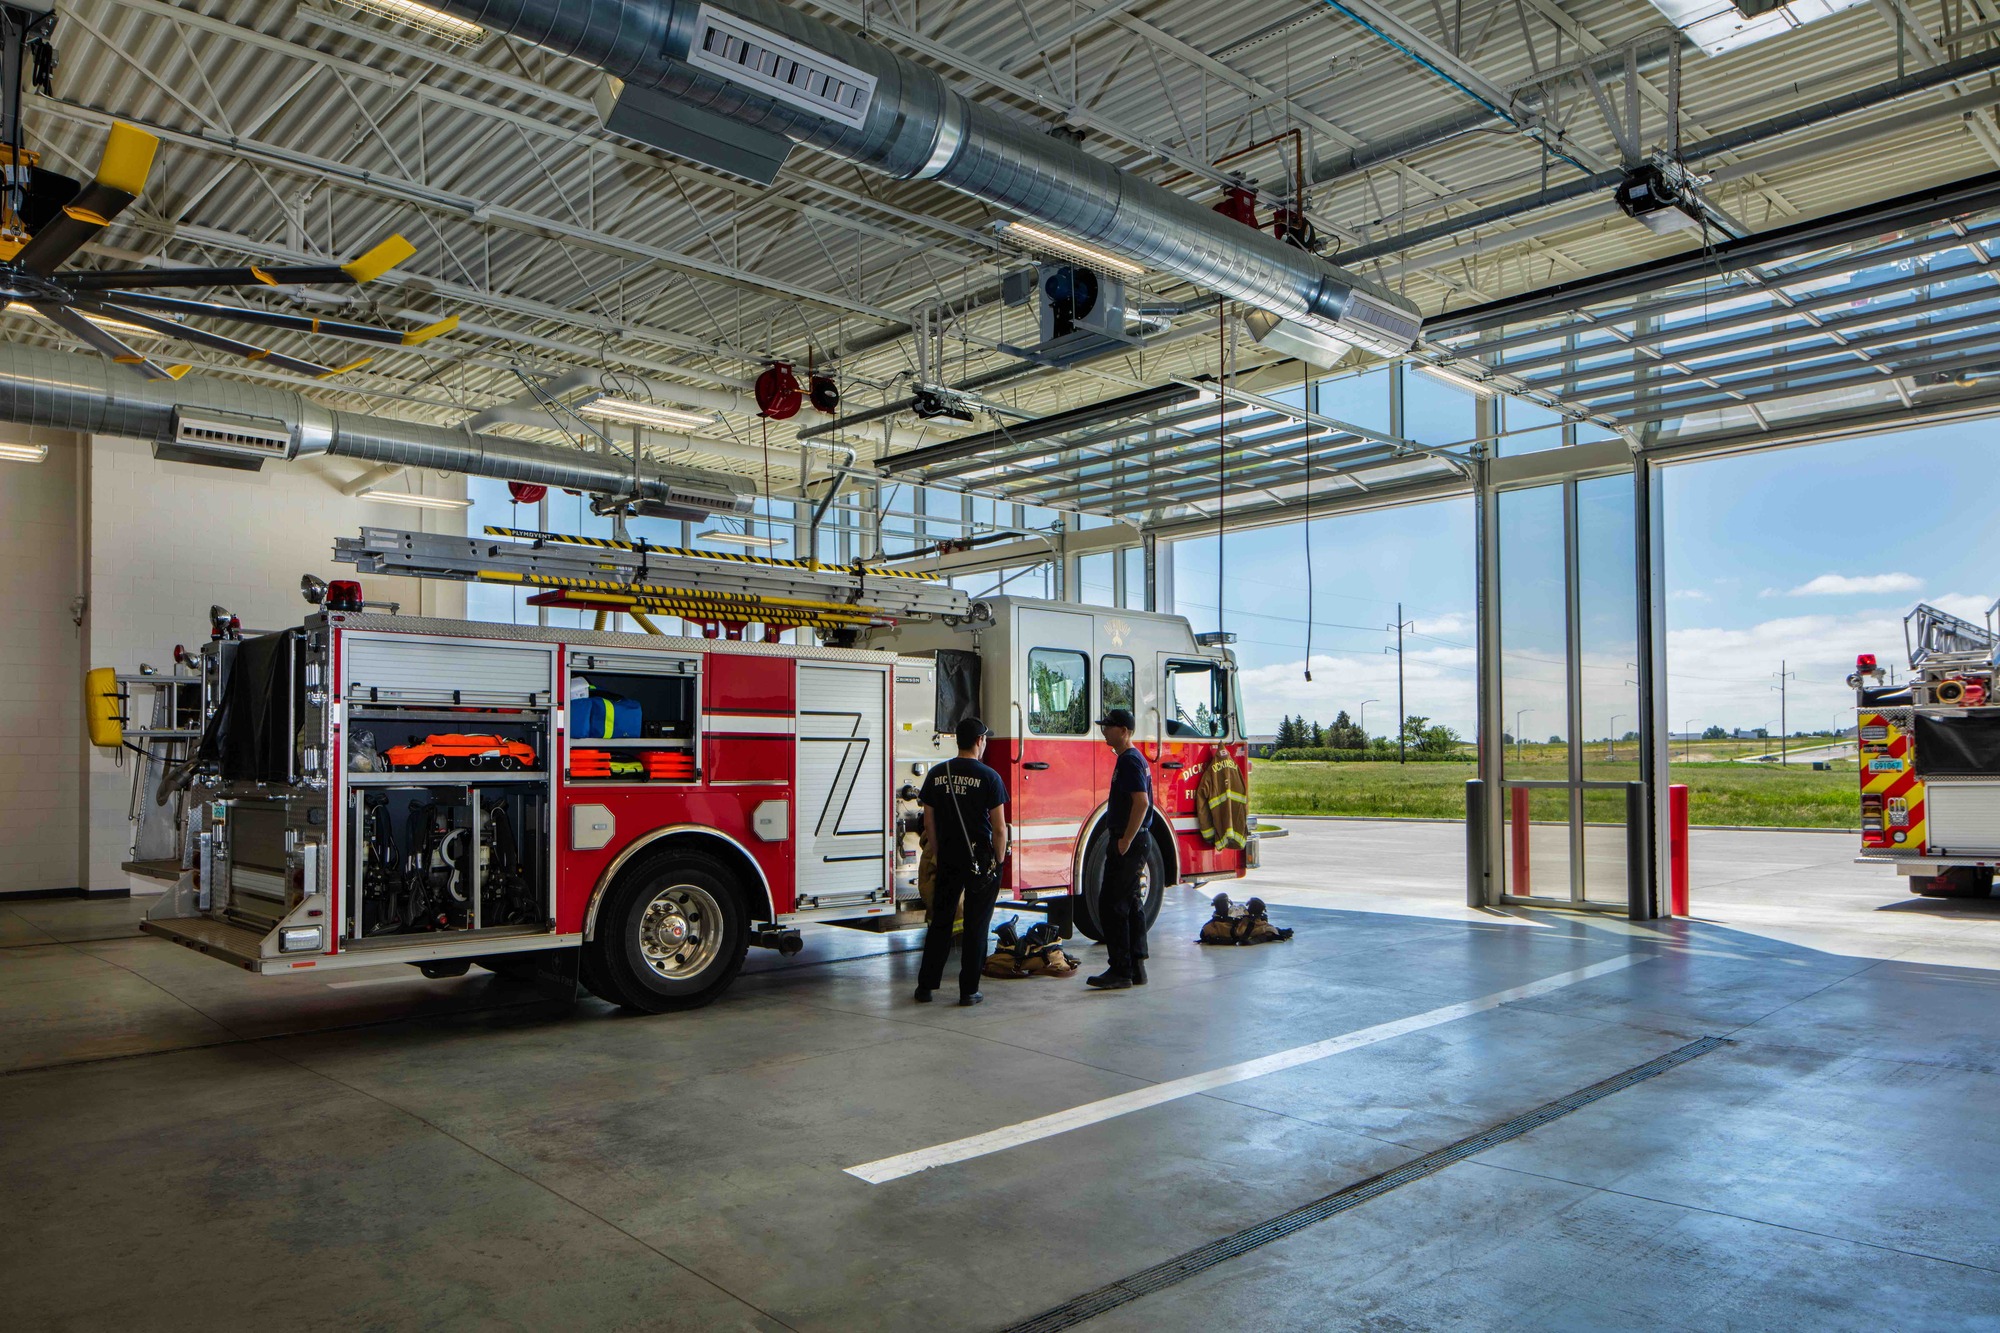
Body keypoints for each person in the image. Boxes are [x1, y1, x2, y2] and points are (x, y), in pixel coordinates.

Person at [915, 716, 1010, 1007]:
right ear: (979, 741)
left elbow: (928, 820)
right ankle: (968, 990)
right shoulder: (989, 777)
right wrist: (998, 859)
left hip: (949, 856)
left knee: (941, 921)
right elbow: (999, 828)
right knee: (976, 925)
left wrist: (939, 851)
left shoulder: (936, 773)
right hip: (980, 859)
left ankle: (926, 987)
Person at [1087, 708, 1152, 991]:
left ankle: (1119, 969)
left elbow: (1142, 802)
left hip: (1129, 841)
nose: (1104, 731)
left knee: (1112, 904)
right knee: (1132, 903)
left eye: (1109, 727)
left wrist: (1125, 839)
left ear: (1124, 731)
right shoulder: (1130, 759)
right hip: (1135, 840)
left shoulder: (1129, 761)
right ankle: (1137, 966)